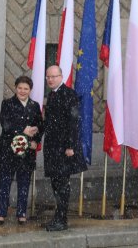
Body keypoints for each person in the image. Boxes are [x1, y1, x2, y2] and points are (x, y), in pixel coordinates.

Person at [0, 76, 43, 225]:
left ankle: (21, 213)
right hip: (7, 150)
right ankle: (1, 213)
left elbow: (40, 126)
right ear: (15, 88)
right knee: (4, 182)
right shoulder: (7, 104)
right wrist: (23, 130)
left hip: (26, 152)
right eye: (20, 88)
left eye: (26, 89)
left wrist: (35, 141)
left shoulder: (34, 106)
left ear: (30, 90)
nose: (22, 91)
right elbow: (5, 124)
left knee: (24, 182)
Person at [43, 65, 87, 232]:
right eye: (48, 77)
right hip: (53, 148)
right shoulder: (52, 95)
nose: (50, 79)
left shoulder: (68, 94)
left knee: (62, 184)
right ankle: (59, 216)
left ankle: (61, 219)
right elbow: (49, 123)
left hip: (63, 149)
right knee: (56, 183)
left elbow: (73, 121)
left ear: (61, 77)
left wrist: (70, 146)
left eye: (54, 76)